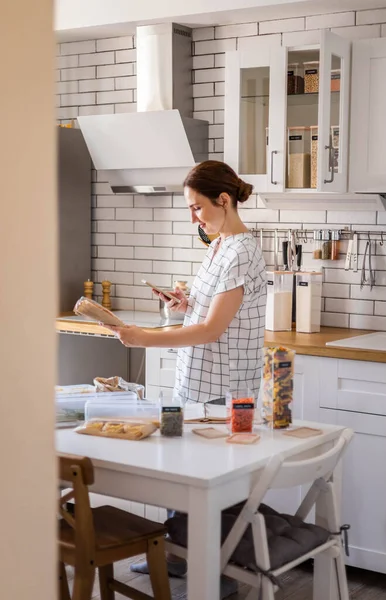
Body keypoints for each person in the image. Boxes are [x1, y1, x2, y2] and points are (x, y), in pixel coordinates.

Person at [104, 160, 267, 593]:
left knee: (214, 481)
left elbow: (215, 330)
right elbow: (208, 311)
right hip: (194, 380)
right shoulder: (217, 245)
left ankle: (219, 572)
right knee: (184, 472)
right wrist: (184, 302)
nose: (193, 216)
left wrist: (144, 337)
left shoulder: (241, 251)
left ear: (224, 200)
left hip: (222, 387)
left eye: (197, 208)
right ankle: (178, 558)